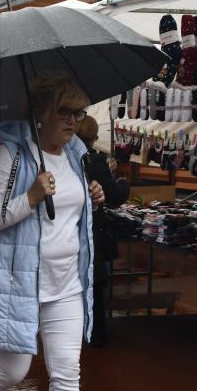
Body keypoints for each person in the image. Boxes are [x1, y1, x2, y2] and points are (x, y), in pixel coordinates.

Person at [0, 75, 106, 391]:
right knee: (13, 370)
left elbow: (68, 214)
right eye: (65, 111)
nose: (74, 120)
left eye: (79, 112)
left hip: (66, 284)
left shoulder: (75, 154)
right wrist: (31, 198)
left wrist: (92, 199)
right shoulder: (8, 154)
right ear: (41, 113)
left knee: (67, 373)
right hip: (18, 284)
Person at [76, 115, 129, 347]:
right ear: (94, 137)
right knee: (95, 283)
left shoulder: (78, 158)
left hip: (81, 231)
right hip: (93, 232)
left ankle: (85, 330)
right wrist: (122, 182)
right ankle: (96, 332)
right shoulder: (94, 160)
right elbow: (114, 196)